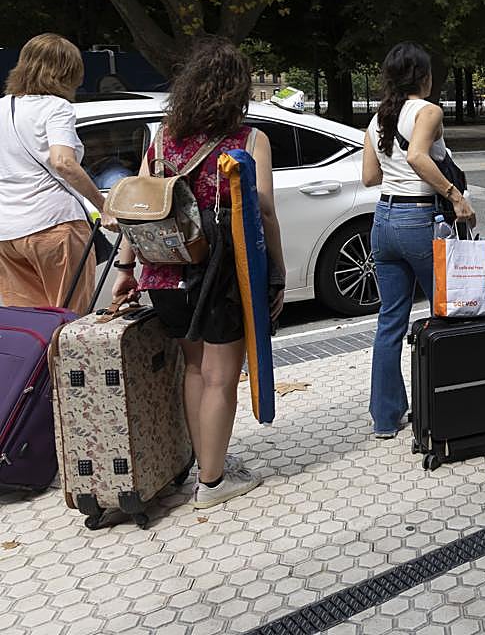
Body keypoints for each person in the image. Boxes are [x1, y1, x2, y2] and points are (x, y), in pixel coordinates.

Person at [110, 38, 285, 509]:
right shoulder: (249, 140)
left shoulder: (163, 137)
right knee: (220, 376)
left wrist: (126, 268)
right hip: (224, 276)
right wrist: (277, 273)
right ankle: (212, 482)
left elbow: (138, 207)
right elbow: (263, 211)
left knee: (193, 368)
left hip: (164, 273)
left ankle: (206, 468)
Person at [362, 42, 474, 438]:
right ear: (424, 77)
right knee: (446, 315)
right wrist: (455, 196)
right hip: (418, 218)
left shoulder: (377, 120)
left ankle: (386, 420)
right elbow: (417, 157)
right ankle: (448, 407)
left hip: (383, 220)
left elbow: (370, 178)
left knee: (390, 322)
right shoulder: (428, 111)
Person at [0, 34, 116, 314]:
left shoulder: (2, 107)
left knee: (29, 323)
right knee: (69, 319)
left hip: (6, 233)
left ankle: (38, 362)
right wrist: (105, 208)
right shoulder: (57, 108)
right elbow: (63, 162)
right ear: (67, 72)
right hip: (54, 225)